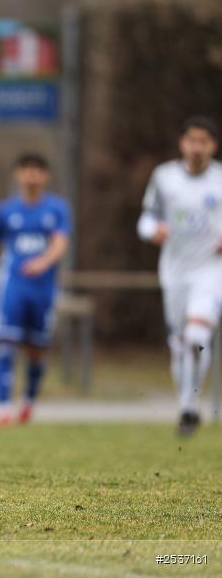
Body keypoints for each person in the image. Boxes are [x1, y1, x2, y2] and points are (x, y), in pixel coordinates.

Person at [137, 116, 222, 436]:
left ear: (213, 146)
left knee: (197, 337)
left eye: (204, 141)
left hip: (212, 272)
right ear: (182, 143)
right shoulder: (164, 177)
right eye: (192, 140)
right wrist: (152, 230)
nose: (197, 147)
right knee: (179, 344)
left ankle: (189, 407)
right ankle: (186, 404)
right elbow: (145, 219)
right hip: (174, 272)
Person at [0, 153, 71, 425]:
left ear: (45, 176)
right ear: (18, 174)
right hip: (12, 287)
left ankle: (28, 400)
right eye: (26, 170)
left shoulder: (57, 208)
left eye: (37, 171)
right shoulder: (5, 210)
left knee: (37, 351)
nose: (31, 176)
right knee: (5, 345)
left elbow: (61, 243)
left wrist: (44, 261)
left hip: (43, 291)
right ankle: (3, 409)